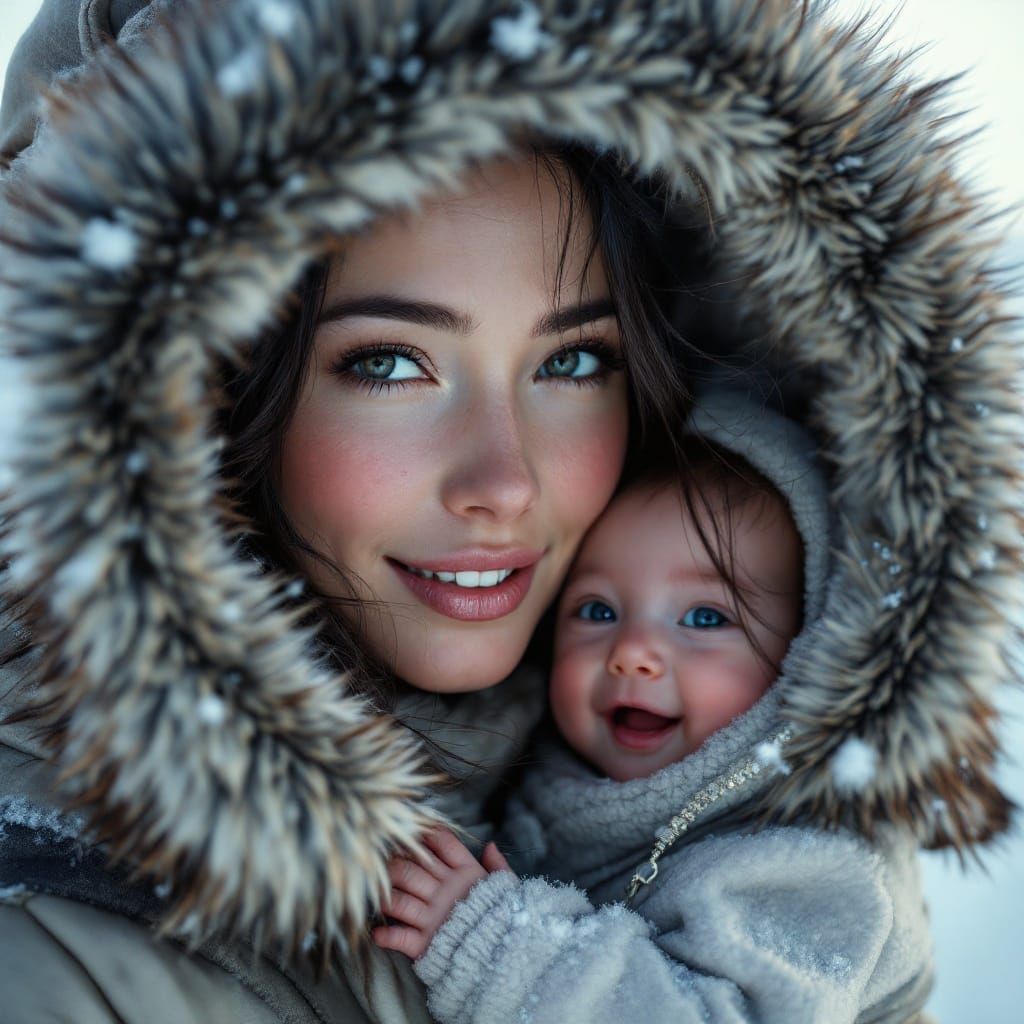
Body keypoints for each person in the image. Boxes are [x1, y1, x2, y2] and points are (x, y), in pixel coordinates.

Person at [0, 1, 1019, 1022]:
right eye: (388, 363)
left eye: (572, 361)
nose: (506, 480)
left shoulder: (720, 821)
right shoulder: (52, 956)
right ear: (205, 396)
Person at [374, 391, 934, 1023]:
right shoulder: (534, 762)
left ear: (807, 658)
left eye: (704, 616)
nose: (632, 651)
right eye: (598, 610)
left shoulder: (814, 861)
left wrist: (501, 950)